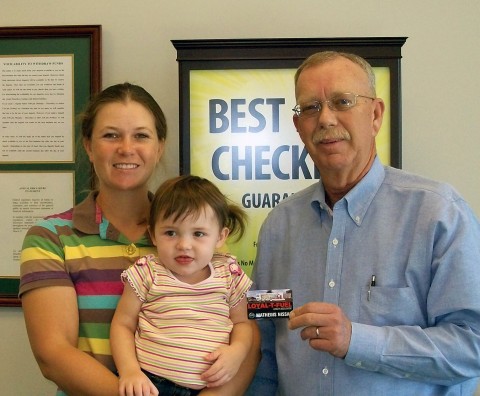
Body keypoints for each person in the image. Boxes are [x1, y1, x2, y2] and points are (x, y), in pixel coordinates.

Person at [247, 51, 480, 395]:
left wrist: (357, 341)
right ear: (299, 127)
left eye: (342, 101)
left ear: (375, 115)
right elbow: (264, 347)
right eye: (310, 108)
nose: (325, 118)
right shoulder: (278, 227)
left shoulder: (438, 213)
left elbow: (472, 346)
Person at [19, 83, 259, 396]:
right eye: (110, 135)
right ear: (89, 146)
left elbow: (247, 338)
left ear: (160, 146)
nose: (126, 148)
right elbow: (53, 355)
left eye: (141, 135)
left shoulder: (195, 236)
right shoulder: (51, 238)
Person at [111, 175, 253, 396]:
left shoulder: (229, 274)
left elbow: (242, 323)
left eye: (198, 234)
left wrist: (237, 352)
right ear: (153, 235)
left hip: (210, 389)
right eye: (170, 233)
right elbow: (122, 325)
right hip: (149, 384)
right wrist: (129, 371)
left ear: (220, 236)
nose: (184, 245)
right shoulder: (147, 271)